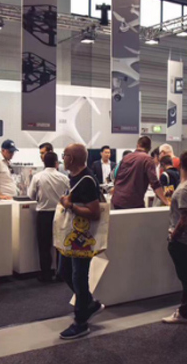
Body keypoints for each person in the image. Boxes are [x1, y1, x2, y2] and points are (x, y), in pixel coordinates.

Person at [58, 143, 105, 340]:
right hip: (74, 236)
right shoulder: (76, 177)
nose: (62, 158)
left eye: (65, 154)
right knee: (65, 271)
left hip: (82, 238)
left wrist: (71, 206)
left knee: (79, 276)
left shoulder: (86, 179)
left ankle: (81, 321)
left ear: (72, 158)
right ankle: (89, 304)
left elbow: (94, 212)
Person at [162, 151, 187, 324]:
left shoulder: (185, 189)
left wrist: (174, 236)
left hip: (182, 240)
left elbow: (184, 219)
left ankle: (185, 312)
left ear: (179, 165)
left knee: (186, 277)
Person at [27, 151, 70, 282]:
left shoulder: (38, 177)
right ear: (56, 163)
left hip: (44, 214)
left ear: (44, 162)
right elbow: (69, 194)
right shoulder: (64, 177)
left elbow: (31, 195)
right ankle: (61, 273)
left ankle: (46, 274)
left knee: (44, 246)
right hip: (60, 213)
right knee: (60, 245)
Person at [111, 137, 169, 209]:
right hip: (133, 203)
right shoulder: (148, 159)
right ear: (149, 148)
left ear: (137, 145)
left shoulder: (126, 157)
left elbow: (116, 175)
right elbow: (155, 183)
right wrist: (166, 202)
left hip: (117, 200)